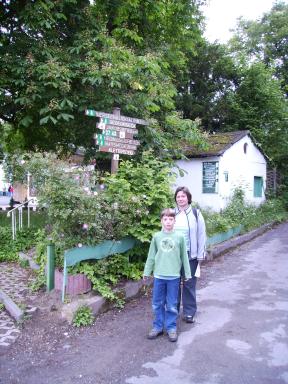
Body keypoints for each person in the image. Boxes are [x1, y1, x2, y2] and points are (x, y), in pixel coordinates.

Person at [143, 208, 191, 342]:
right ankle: (157, 327)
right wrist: (147, 272)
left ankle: (171, 327)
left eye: (171, 219)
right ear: (161, 221)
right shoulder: (156, 237)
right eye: (165, 219)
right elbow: (151, 256)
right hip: (159, 276)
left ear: (174, 221)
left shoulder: (179, 237)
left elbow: (184, 258)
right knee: (157, 303)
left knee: (171, 304)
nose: (168, 222)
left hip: (174, 277)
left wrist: (187, 273)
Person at [174, 186, 206, 324]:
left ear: (188, 198)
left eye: (183, 196)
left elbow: (201, 235)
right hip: (173, 255)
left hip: (190, 255)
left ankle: (189, 312)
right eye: (178, 196)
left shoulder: (196, 213)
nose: (180, 199)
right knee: (174, 283)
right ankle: (172, 310)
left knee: (189, 283)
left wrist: (200, 255)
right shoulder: (172, 213)